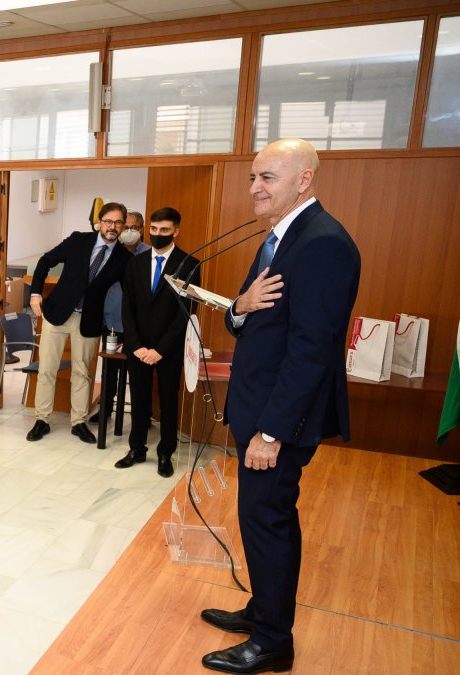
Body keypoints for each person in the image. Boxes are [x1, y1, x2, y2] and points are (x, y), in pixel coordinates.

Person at [200, 139, 361, 675]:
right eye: (252, 177)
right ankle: (262, 609)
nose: (254, 188)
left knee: (267, 521)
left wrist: (271, 432)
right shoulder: (279, 239)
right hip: (257, 408)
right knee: (261, 519)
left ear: (303, 180)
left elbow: (311, 349)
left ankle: (272, 642)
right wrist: (239, 309)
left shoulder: (323, 244)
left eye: (266, 177)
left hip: (277, 420)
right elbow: (244, 314)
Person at [25, 202, 131, 445]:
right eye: (108, 221)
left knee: (82, 373)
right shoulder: (78, 240)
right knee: (47, 369)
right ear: (99, 222)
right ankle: (42, 419)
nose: (112, 227)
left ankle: (79, 422)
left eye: (117, 222)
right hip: (57, 314)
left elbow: (127, 294)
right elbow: (45, 261)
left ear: (123, 226)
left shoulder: (125, 258)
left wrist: (126, 326)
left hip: (90, 320)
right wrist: (35, 293)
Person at [115, 207, 199, 478]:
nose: (157, 234)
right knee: (138, 398)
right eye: (153, 229)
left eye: (164, 230)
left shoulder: (189, 264)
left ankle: (165, 452)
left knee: (167, 400)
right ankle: (136, 448)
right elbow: (127, 306)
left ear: (176, 231)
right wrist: (136, 344)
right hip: (138, 346)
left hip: (168, 349)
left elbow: (187, 313)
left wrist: (160, 349)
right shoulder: (135, 262)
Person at [90, 209, 150, 425]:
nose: (129, 232)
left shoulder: (149, 255)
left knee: (138, 373)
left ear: (142, 230)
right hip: (112, 322)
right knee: (109, 372)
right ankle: (105, 409)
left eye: (134, 228)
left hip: (139, 326)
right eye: (127, 227)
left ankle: (141, 417)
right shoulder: (112, 253)